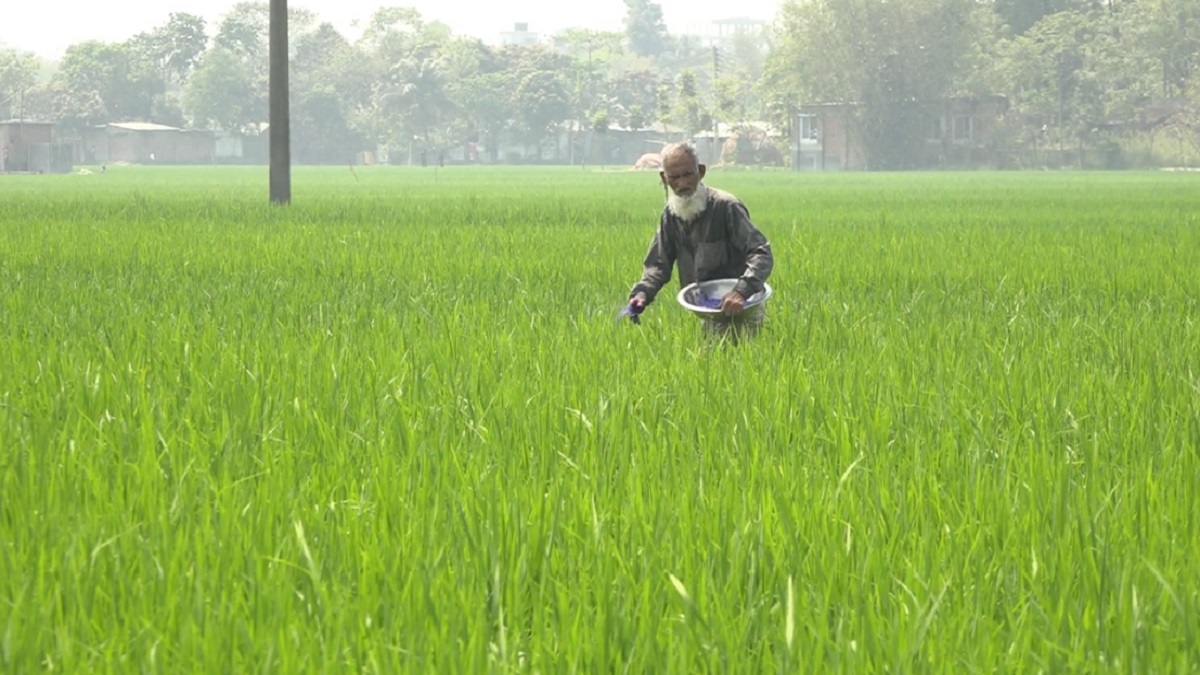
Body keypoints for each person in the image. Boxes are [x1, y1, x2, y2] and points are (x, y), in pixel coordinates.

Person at [624, 141, 774, 341]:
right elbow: (658, 264)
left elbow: (761, 252)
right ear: (664, 178)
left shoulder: (726, 206)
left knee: (744, 358)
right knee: (710, 359)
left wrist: (741, 291)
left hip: (741, 308)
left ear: (701, 171)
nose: (682, 183)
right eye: (674, 177)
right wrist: (642, 294)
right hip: (708, 311)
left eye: (688, 174)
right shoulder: (671, 215)